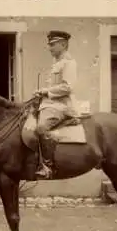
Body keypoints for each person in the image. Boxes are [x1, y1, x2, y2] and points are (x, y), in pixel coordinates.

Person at [32, 30, 80, 179]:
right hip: (49, 105)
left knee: (41, 128)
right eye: (49, 44)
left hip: (61, 107)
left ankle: (47, 165)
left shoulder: (69, 64)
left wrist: (46, 91)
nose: (50, 48)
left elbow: (68, 87)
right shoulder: (56, 64)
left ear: (63, 44)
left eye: (53, 44)